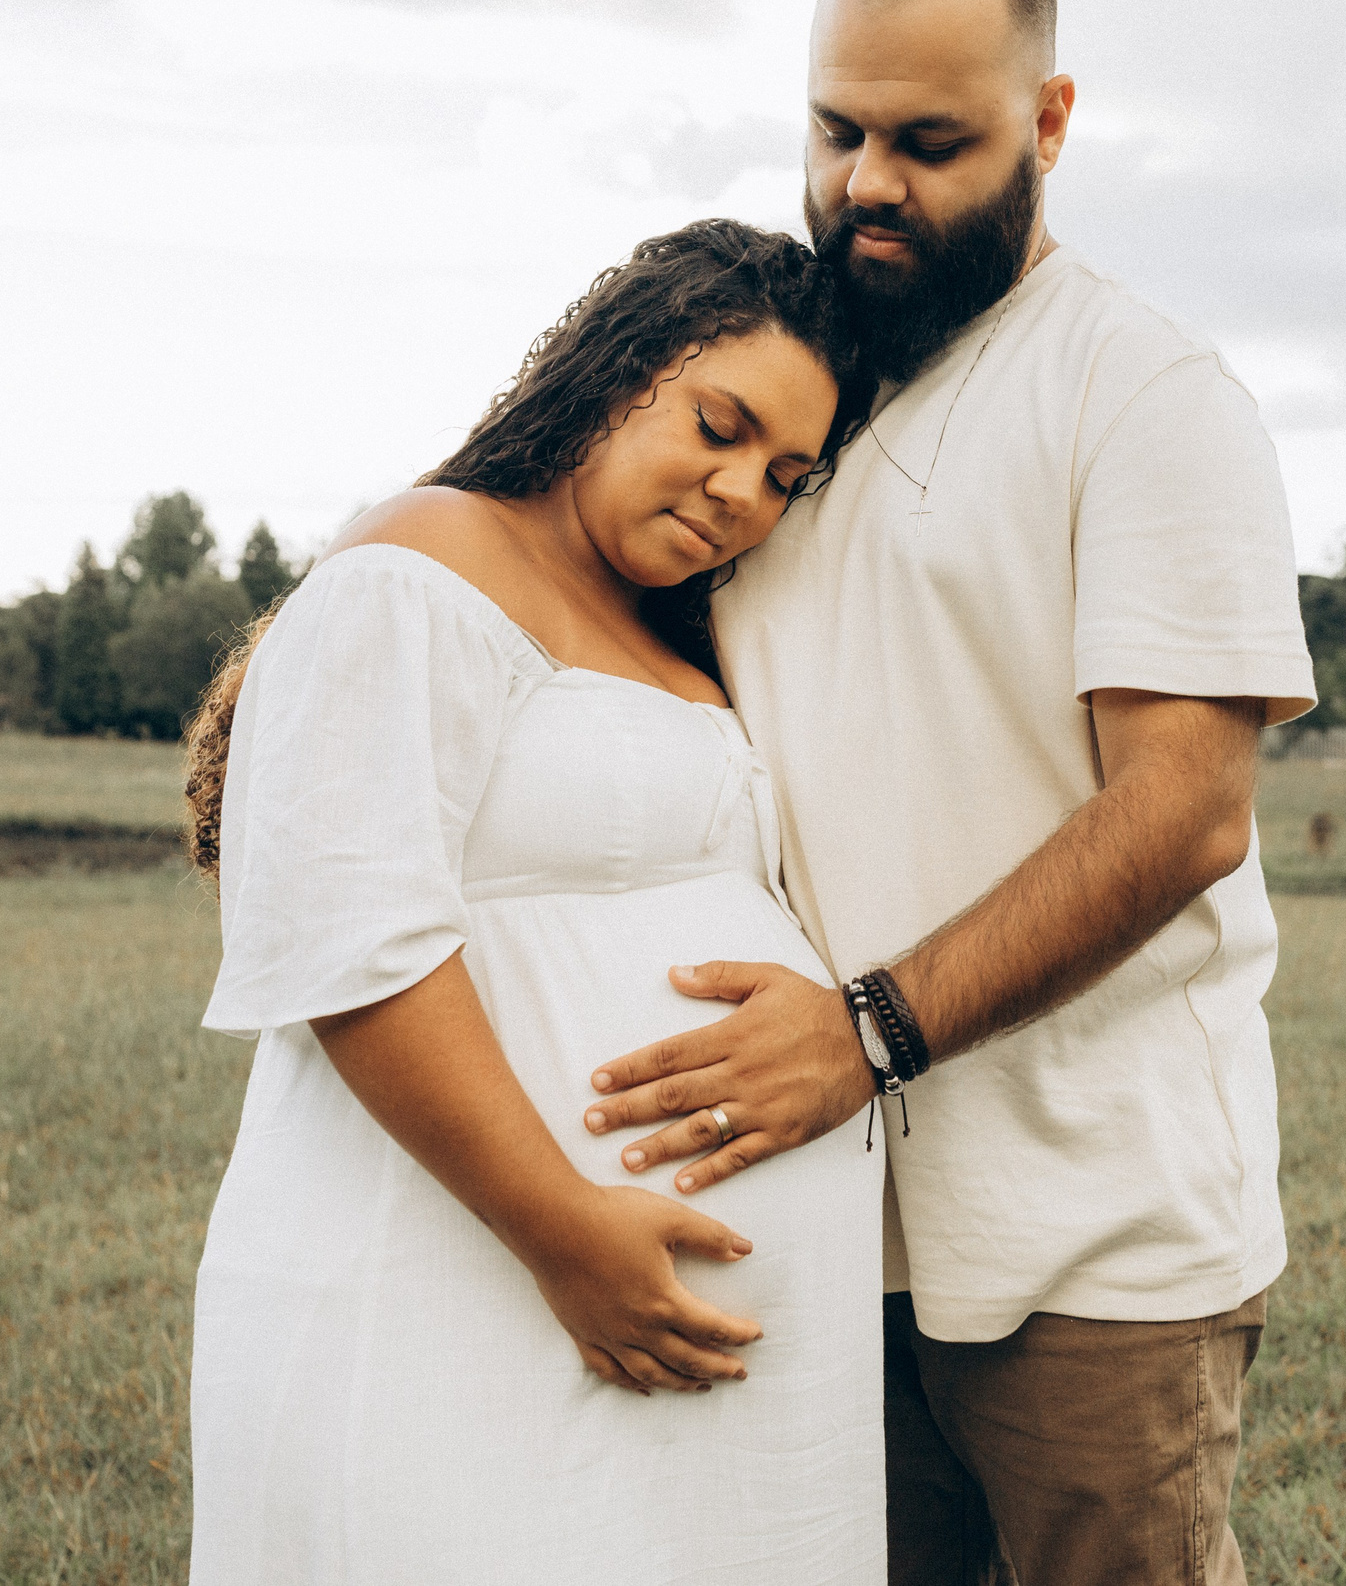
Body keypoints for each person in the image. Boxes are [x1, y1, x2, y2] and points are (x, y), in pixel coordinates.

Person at [580, 0, 1318, 1586]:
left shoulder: (1144, 395)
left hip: (1093, 1240)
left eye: (930, 142)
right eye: (836, 132)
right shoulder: (789, 406)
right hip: (817, 1223)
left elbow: (1187, 811)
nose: (867, 187)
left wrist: (869, 1034)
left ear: (1049, 124)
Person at [181, 220, 886, 1584]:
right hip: (477, 1285)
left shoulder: (673, 630)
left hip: (669, 1354)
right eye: (719, 425)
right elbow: (352, 942)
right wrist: (565, 1233)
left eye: (787, 475)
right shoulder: (418, 564)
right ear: (616, 370)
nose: (744, 490)